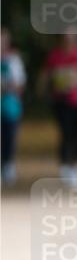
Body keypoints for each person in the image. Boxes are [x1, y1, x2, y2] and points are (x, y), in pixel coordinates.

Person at [40, 30, 77, 187]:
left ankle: (76, 166)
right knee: (65, 133)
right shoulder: (55, 55)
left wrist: (75, 79)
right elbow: (46, 74)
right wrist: (42, 89)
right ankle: (64, 165)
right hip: (62, 101)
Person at [1, 28, 27, 185]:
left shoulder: (13, 59)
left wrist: (7, 88)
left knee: (9, 137)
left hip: (10, 107)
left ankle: (8, 165)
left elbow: (20, 84)